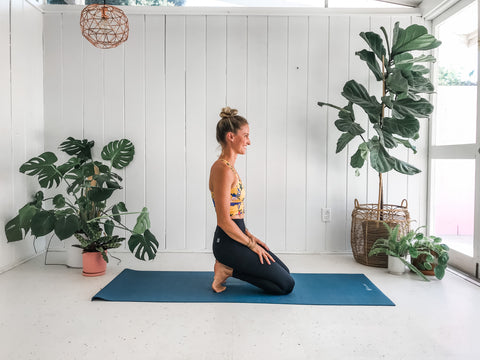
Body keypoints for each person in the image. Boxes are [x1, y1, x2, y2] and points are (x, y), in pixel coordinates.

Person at [209, 107, 295, 295]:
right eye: (246, 135)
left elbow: (235, 213)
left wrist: (251, 236)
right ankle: (227, 269)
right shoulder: (222, 170)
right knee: (285, 285)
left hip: (238, 235)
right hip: (227, 243)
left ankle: (228, 269)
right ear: (231, 137)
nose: (249, 141)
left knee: (285, 274)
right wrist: (251, 245)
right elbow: (224, 220)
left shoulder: (230, 168)